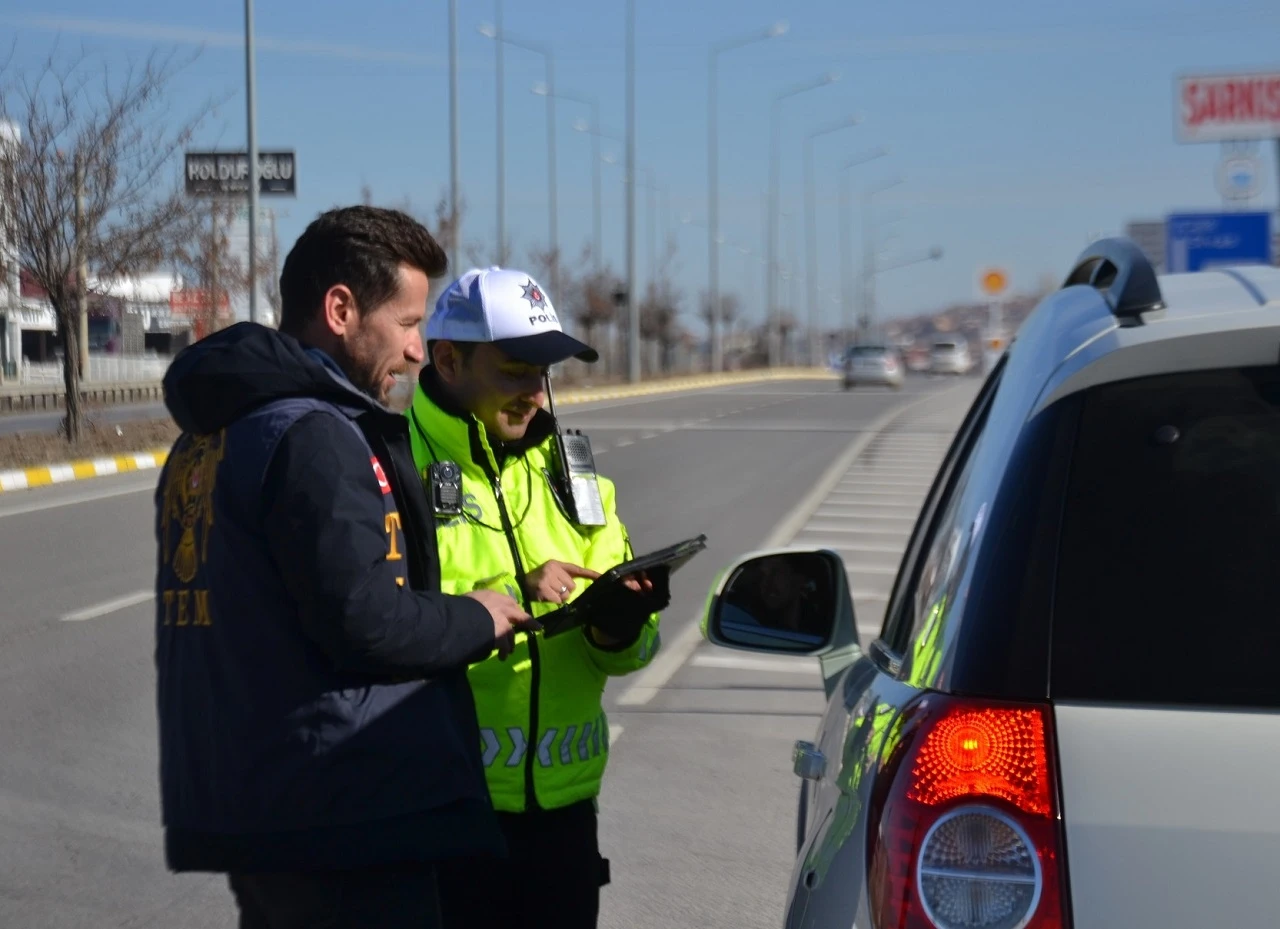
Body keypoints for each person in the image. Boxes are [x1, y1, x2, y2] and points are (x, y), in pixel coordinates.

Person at [153, 207, 536, 929]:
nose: (420, 351)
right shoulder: (315, 435)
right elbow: (364, 619)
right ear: (340, 309)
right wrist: (479, 614)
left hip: (264, 803)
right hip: (338, 814)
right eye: (408, 323)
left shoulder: (214, 433)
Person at [406, 266, 670, 929]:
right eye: (517, 370)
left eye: (545, 372)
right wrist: (499, 594)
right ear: (449, 359)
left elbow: (631, 651)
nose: (536, 393)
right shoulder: (392, 466)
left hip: (565, 822)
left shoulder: (576, 479)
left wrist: (619, 625)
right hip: (440, 816)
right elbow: (374, 624)